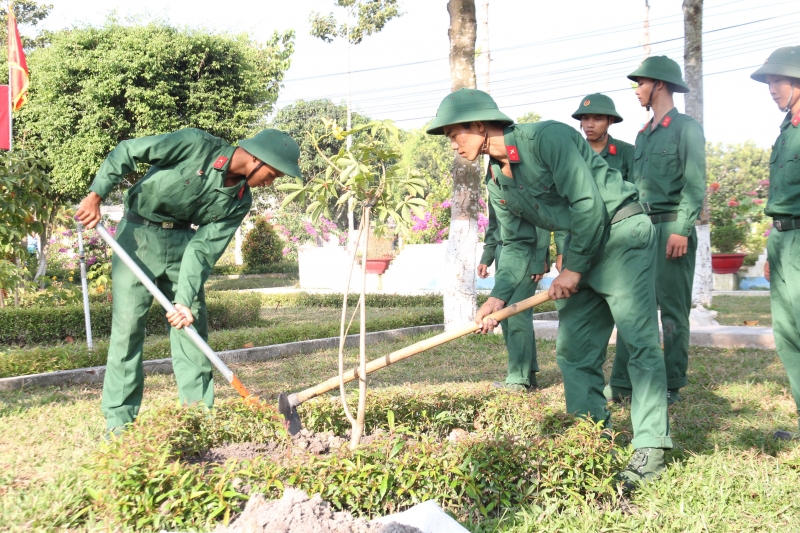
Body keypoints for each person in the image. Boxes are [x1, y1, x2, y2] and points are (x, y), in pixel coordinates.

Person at [427, 88, 672, 489]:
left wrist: (573, 269)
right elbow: (518, 243)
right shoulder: (496, 183)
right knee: (573, 350)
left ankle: (651, 450)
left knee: (638, 340)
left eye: (455, 133)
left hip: (621, 232)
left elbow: (587, 203)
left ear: (479, 125)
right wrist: (498, 296)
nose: (452, 144)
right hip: (581, 245)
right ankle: (592, 437)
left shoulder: (547, 138)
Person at [75, 128, 302, 436]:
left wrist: (185, 299)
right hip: (137, 237)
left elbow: (203, 249)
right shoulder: (195, 145)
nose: (270, 183)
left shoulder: (238, 201)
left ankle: (198, 420)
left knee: (191, 328)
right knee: (127, 331)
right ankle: (119, 424)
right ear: (255, 159)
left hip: (183, 242)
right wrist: (95, 196)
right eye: (272, 174)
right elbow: (127, 150)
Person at [608, 56, 706, 406]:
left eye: (641, 83)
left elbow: (695, 185)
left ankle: (672, 383)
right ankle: (622, 382)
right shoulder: (643, 134)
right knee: (633, 307)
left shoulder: (686, 128)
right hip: (642, 231)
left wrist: (682, 229)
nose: (637, 90)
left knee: (674, 311)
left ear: (659, 84)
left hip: (671, 229)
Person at [751, 46, 800, 441]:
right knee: (787, 334)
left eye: (778, 79)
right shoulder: (787, 129)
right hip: (783, 237)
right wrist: (773, 244)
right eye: (769, 81)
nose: (771, 88)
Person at [478, 174, 550, 392]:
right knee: (506, 319)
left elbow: (542, 220)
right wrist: (487, 256)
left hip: (527, 252)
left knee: (516, 314)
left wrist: (540, 257)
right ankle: (526, 375)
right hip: (505, 253)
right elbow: (494, 223)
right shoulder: (493, 178)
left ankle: (518, 380)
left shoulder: (524, 172)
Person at [571, 93, 634, 181]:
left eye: (597, 119)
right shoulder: (573, 152)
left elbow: (635, 190)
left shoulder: (627, 152)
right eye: (585, 118)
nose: (590, 125)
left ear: (610, 120)